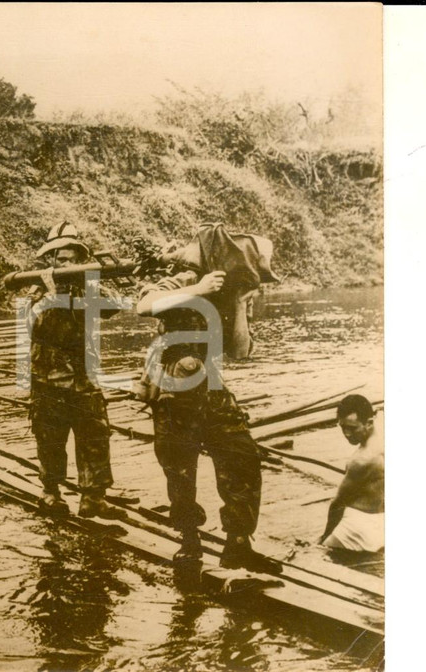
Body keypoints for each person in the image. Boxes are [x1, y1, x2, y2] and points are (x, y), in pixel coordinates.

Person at [135, 226, 282, 574]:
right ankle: (189, 544)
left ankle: (238, 544)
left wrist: (241, 306)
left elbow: (241, 351)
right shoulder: (181, 279)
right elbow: (144, 306)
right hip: (176, 388)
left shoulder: (231, 293)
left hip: (213, 388)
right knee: (180, 471)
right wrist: (197, 289)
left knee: (243, 457)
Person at [25, 222, 125, 520]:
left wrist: (95, 282)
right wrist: (53, 293)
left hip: (84, 375)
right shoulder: (37, 289)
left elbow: (113, 307)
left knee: (95, 433)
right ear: (51, 261)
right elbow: (34, 325)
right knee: (50, 436)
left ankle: (93, 497)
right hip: (49, 377)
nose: (66, 263)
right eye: (60, 258)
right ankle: (50, 493)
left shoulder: (86, 285)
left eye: (71, 258)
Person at [320, 395, 384, 553]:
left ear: (369, 423)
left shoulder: (362, 460)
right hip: (382, 518)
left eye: (352, 428)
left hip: (360, 524)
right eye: (343, 427)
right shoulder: (383, 428)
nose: (347, 434)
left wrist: (324, 537)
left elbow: (337, 505)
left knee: (322, 551)